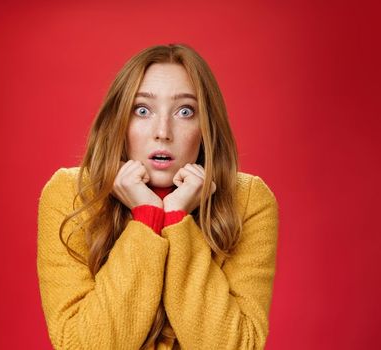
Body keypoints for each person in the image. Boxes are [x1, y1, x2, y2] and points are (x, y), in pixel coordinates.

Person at [36, 44, 279, 350]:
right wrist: (147, 217)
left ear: (206, 127)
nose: (163, 132)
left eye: (185, 111)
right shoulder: (71, 194)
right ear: (120, 122)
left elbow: (237, 345)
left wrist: (177, 219)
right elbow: (81, 345)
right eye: (142, 110)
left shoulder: (248, 200)